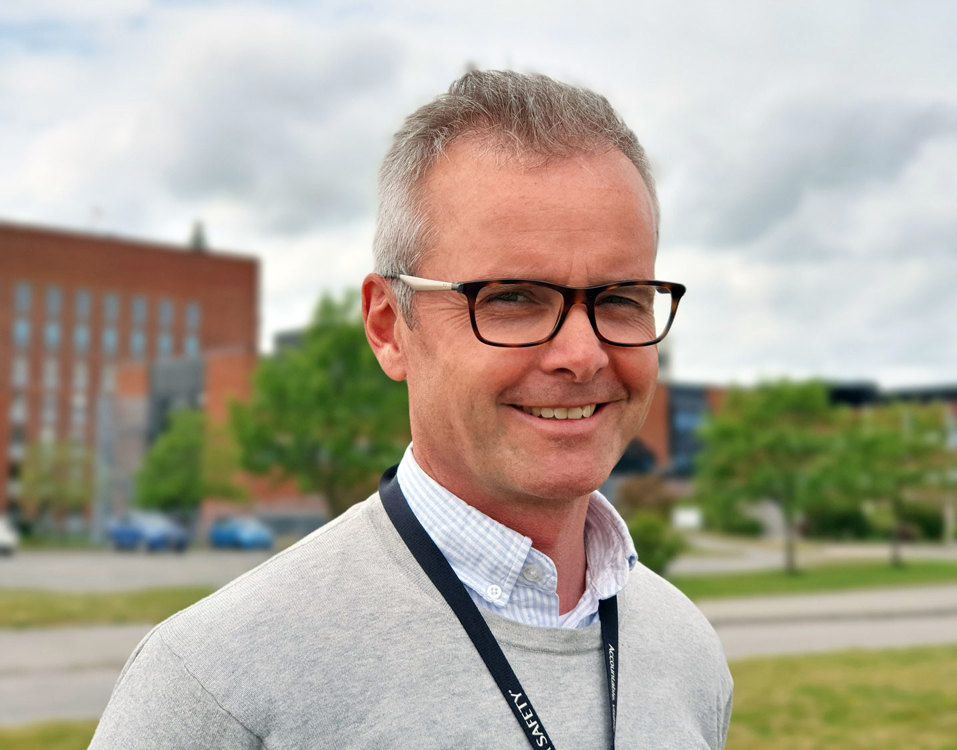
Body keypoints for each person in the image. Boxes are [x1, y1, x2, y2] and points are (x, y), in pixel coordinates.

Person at [91, 70, 732, 749]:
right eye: (512, 297)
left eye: (620, 297)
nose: (583, 354)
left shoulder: (685, 648)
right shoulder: (219, 686)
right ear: (389, 326)